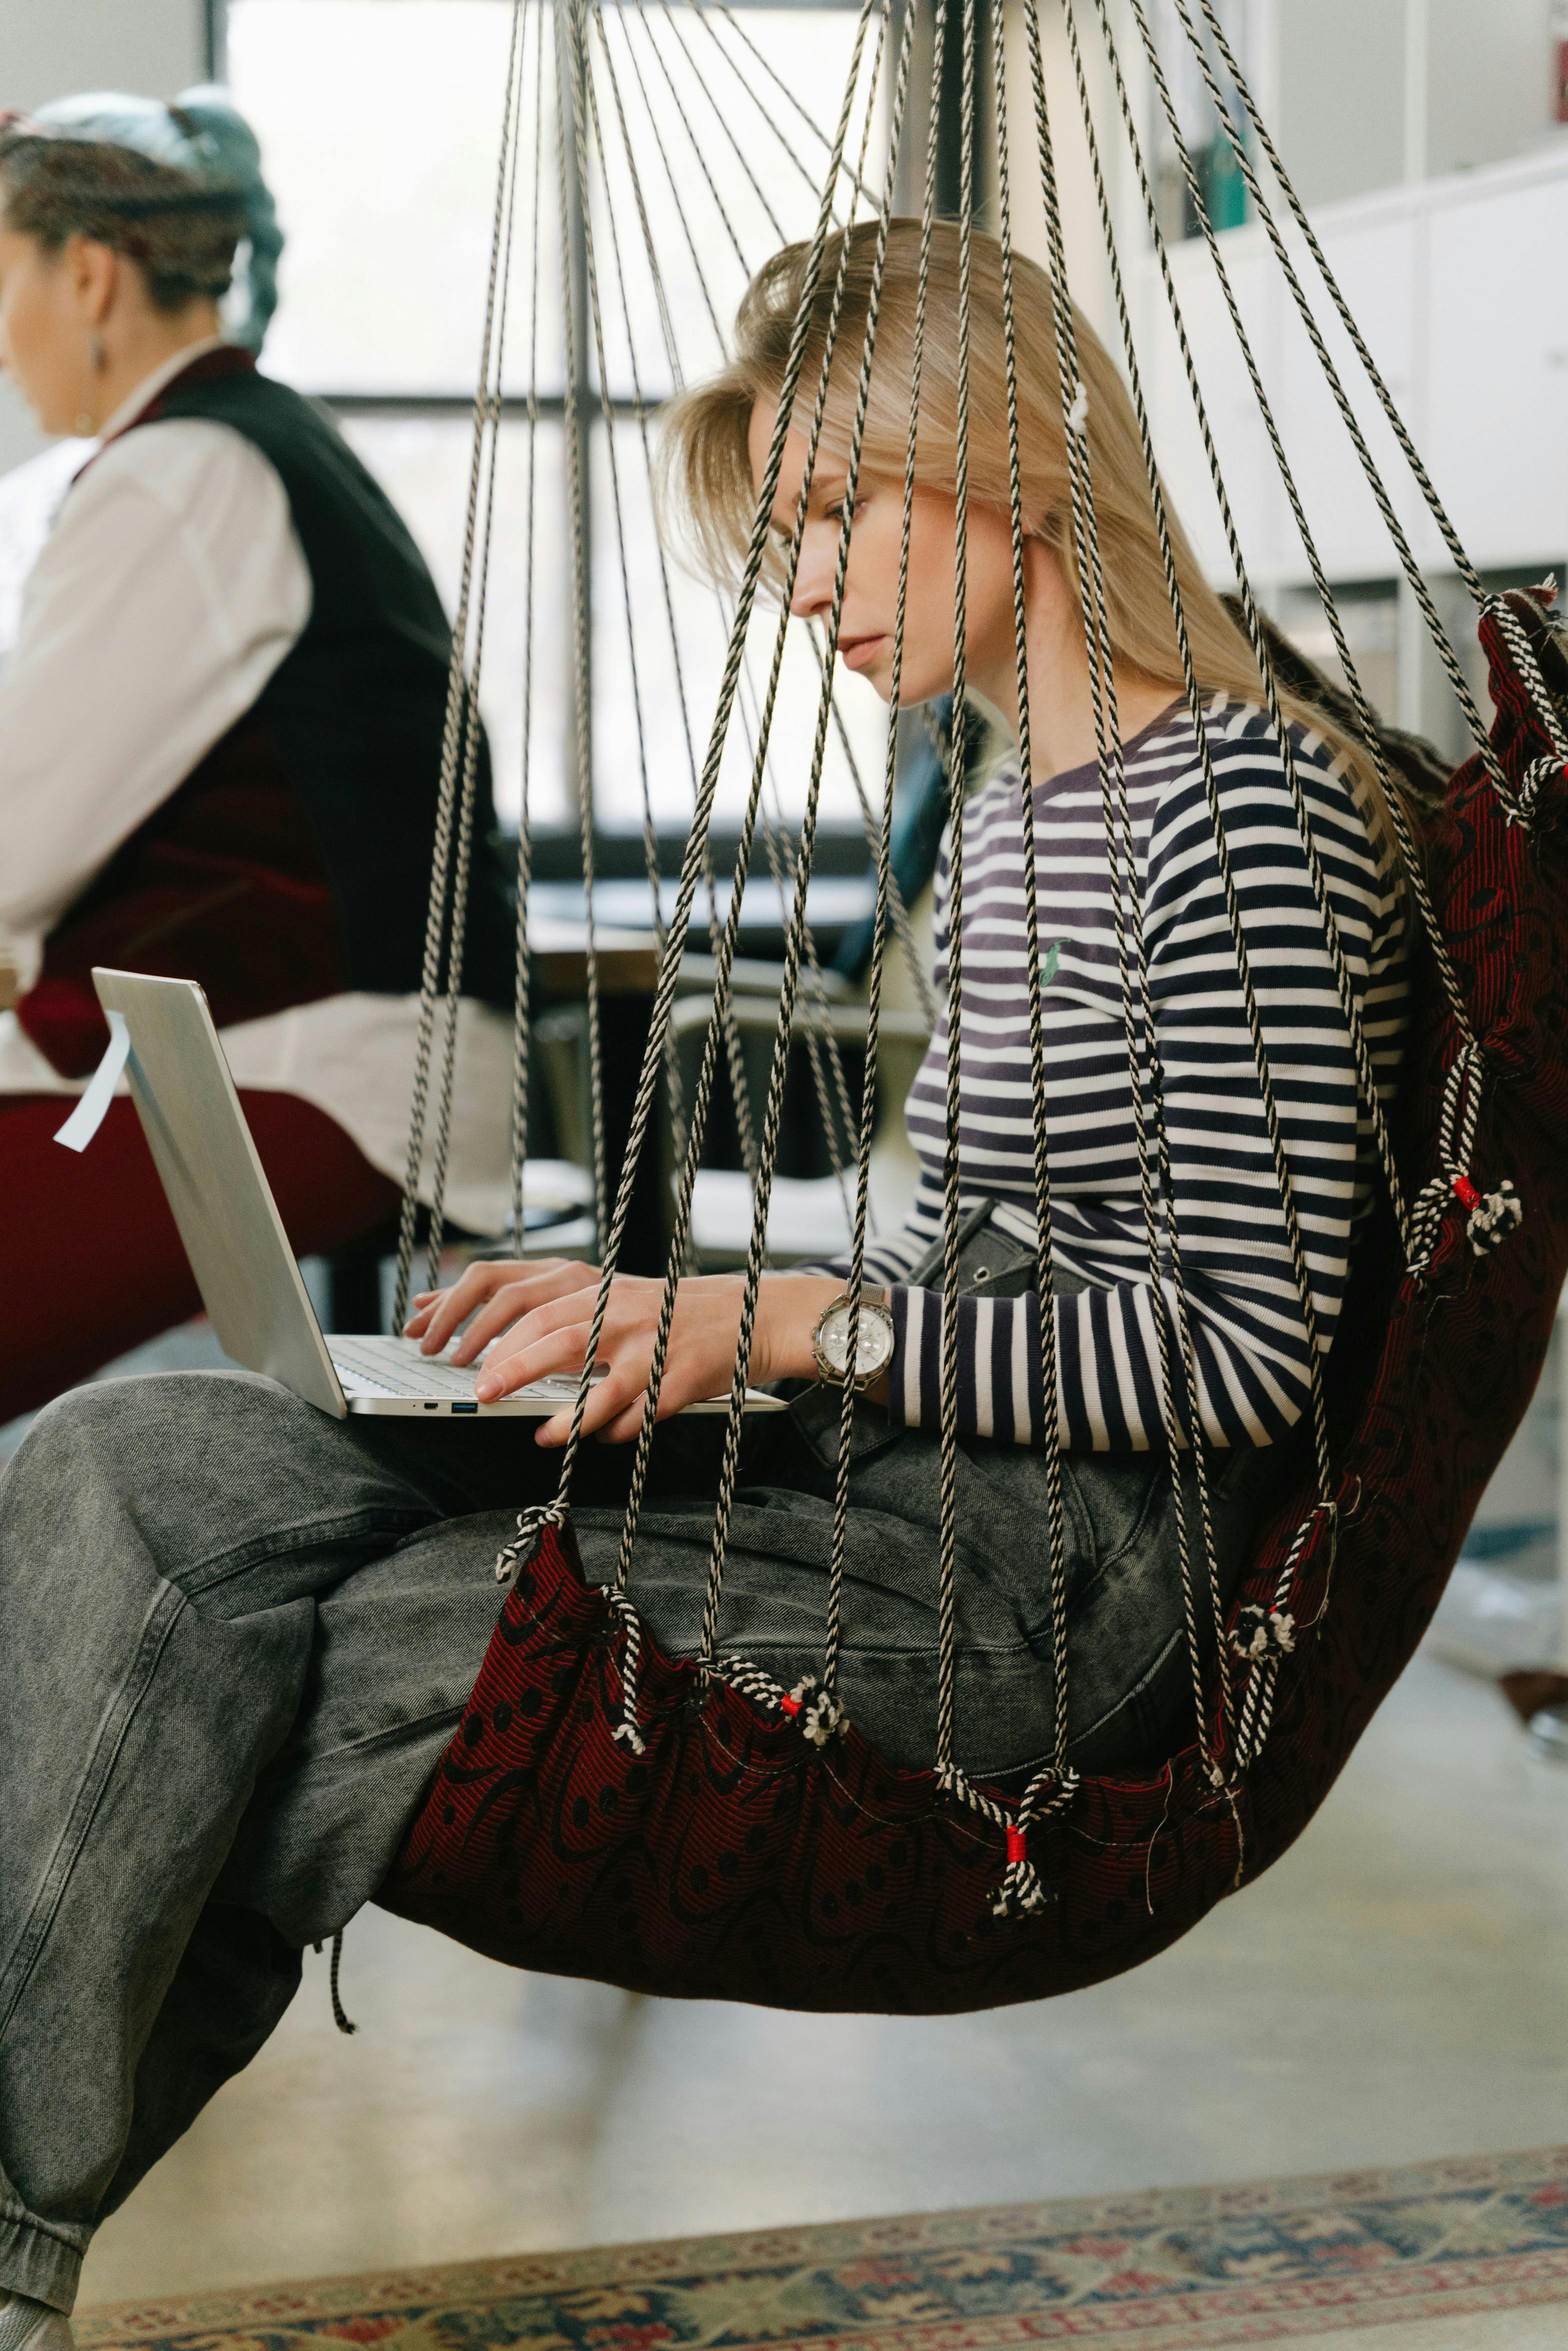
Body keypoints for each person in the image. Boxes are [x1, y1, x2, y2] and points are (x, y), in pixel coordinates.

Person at [0, 219, 1408, 2339]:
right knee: (137, 1469)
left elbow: (1233, 1353)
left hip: (1039, 1576)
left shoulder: (1242, 811)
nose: (805, 576)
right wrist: (662, 1311)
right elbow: (958, 1253)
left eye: (839, 508)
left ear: (1013, 456)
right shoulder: (1019, 808)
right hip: (903, 1469)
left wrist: (771, 1321)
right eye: (785, 529)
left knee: (250, 1647)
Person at [0, 90, 517, 1426]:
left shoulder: (178, 477)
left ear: (91, 274)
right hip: (298, 1049)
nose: (2, 345)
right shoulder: (242, 445)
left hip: (308, 1072)